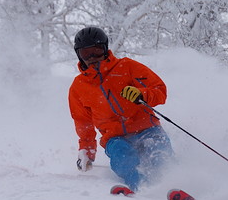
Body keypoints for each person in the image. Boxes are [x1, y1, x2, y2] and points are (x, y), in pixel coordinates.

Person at [68, 26, 173, 191]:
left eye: (96, 51)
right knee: (122, 155)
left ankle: (174, 183)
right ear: (79, 55)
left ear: (104, 49)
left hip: (147, 128)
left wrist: (142, 94)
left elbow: (160, 91)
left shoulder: (127, 67)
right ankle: (144, 188)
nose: (92, 57)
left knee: (159, 152)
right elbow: (83, 122)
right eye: (85, 54)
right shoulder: (79, 86)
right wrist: (87, 151)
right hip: (115, 137)